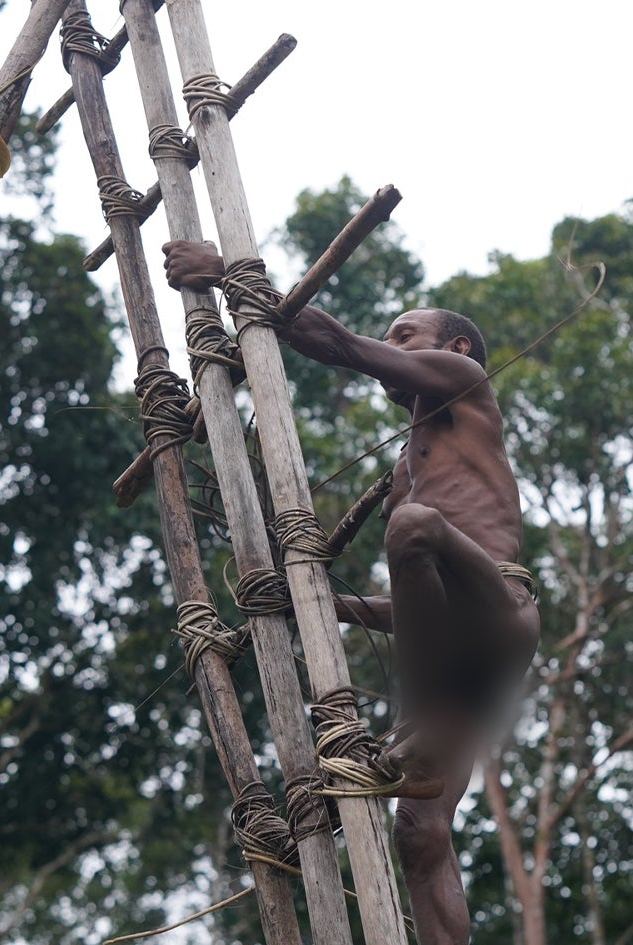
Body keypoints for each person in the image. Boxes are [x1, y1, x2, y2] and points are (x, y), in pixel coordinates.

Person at [163, 241, 540, 945]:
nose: (392, 346)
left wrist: (227, 275)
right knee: (420, 832)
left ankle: (421, 724)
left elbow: (340, 343)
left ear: (453, 345)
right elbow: (416, 612)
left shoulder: (462, 380)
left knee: (415, 528)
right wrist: (322, 604)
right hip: (454, 653)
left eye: (405, 334)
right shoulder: (409, 468)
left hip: (500, 615)